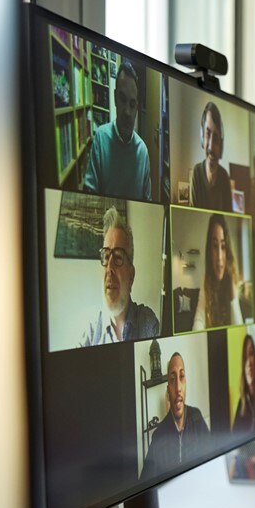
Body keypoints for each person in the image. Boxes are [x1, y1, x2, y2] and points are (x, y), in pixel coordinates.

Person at [79, 206, 159, 347]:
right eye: (106, 256)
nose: (109, 268)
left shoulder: (147, 322)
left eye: (118, 257)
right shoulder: (89, 331)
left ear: (131, 276)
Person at [82, 59, 152, 200]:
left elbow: (148, 202)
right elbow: (89, 195)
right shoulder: (100, 139)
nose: (127, 111)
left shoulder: (143, 152)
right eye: (122, 99)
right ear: (114, 98)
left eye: (132, 104)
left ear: (137, 107)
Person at [141, 352, 211, 480]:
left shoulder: (197, 418)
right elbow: (143, 486)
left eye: (182, 376)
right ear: (168, 390)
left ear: (186, 384)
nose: (178, 387)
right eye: (172, 379)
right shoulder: (159, 436)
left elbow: (212, 465)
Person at [192, 213, 243, 330]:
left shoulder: (234, 281)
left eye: (223, 247)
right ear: (210, 250)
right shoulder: (206, 279)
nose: (219, 257)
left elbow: (240, 330)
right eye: (215, 246)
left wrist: (233, 297)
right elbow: (199, 320)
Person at [189, 102, 232, 211]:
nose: (211, 147)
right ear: (202, 137)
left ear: (221, 144)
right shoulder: (196, 173)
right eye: (208, 134)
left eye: (216, 137)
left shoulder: (224, 177)